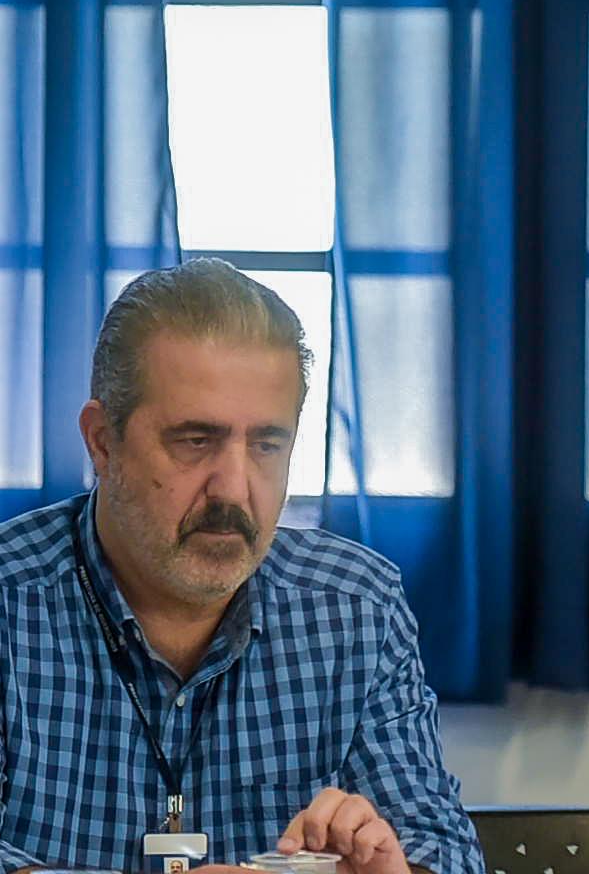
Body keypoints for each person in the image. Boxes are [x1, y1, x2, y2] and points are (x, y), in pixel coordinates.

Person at [0, 258, 482, 874]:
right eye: (195, 441)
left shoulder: (357, 610)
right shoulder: (11, 603)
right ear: (102, 441)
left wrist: (393, 871)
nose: (232, 489)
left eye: (266, 445)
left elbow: (443, 848)